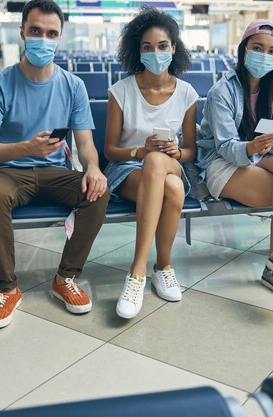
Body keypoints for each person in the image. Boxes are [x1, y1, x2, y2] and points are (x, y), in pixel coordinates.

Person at [0, 0, 109, 329]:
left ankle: (65, 278)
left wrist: (92, 167)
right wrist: (24, 147)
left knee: (99, 192)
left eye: (51, 33)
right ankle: (8, 289)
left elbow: (87, 144)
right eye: (35, 31)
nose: (43, 39)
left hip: (55, 173)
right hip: (10, 173)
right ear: (22, 32)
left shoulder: (72, 86)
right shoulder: (0, 85)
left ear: (59, 38)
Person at [196, 19, 273, 301]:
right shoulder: (221, 91)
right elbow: (224, 146)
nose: (265, 55)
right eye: (258, 48)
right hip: (222, 163)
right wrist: (252, 147)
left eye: (272, 51)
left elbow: (272, 145)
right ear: (244, 50)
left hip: (256, 157)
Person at [103, 7, 198, 319]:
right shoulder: (121, 92)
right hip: (128, 170)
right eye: (147, 47)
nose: (156, 52)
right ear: (136, 50)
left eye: (162, 46)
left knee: (161, 164)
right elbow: (110, 151)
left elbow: (191, 153)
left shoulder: (187, 94)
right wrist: (139, 152)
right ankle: (160, 266)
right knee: (169, 184)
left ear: (174, 48)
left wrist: (175, 151)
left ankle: (138, 273)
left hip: (170, 164)